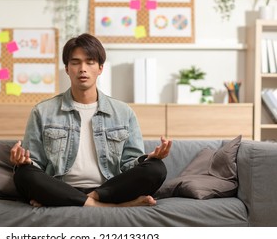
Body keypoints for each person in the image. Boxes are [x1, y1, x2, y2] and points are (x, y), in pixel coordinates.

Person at [10, 33, 172, 207]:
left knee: (156, 168)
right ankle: (108, 206)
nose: (82, 68)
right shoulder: (43, 111)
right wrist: (24, 161)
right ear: (66, 68)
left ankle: (85, 200)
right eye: (75, 62)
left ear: (100, 68)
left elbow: (129, 165)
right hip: (60, 186)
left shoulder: (123, 112)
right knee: (23, 174)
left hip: (109, 188)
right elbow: (36, 164)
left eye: (90, 62)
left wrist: (148, 159)